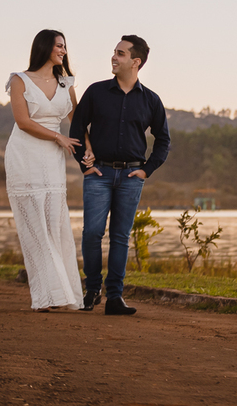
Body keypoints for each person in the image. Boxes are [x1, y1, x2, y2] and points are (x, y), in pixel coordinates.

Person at [70, 35, 171, 315]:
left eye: (121, 54)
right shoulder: (96, 92)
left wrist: (146, 170)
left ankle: (115, 297)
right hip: (98, 174)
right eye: (114, 52)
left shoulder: (151, 100)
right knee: (91, 233)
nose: (114, 57)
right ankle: (92, 291)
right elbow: (77, 129)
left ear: (136, 62)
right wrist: (85, 164)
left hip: (131, 178)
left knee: (120, 237)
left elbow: (163, 140)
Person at [5, 29, 85, 312]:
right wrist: (57, 137)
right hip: (25, 153)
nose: (63, 50)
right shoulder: (20, 80)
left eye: (64, 46)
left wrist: (89, 146)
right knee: (35, 227)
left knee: (54, 223)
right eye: (58, 45)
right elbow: (23, 121)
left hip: (53, 158)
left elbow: (78, 121)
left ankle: (64, 294)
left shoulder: (66, 82)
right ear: (45, 47)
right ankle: (46, 296)